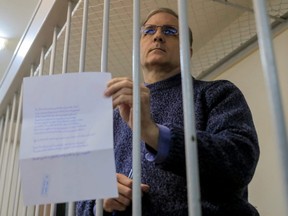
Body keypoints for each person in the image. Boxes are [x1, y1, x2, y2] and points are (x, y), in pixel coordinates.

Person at [76, 7, 260, 216]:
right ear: (138, 47)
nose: (158, 36)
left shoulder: (217, 93)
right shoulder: (112, 117)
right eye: (149, 31)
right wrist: (99, 203)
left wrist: (154, 134)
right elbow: (83, 199)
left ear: (188, 52)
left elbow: (240, 161)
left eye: (170, 31)